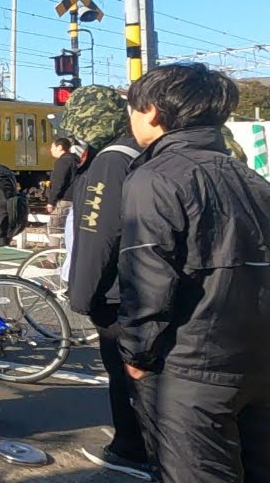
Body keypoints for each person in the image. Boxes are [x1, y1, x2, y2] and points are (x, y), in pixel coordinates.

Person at [118, 63, 270, 483]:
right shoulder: (251, 177)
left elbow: (147, 277)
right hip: (257, 360)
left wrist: (136, 354)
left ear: (151, 111)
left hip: (188, 365)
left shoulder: (154, 178)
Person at [59, 86, 153, 479]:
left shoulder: (109, 162)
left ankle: (130, 448)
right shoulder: (140, 152)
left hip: (117, 292)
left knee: (123, 369)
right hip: (147, 284)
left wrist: (80, 295)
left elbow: (97, 234)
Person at [46, 137, 78, 248]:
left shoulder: (62, 162)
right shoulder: (76, 159)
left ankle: (52, 258)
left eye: (52, 147)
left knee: (55, 226)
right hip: (76, 198)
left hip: (65, 199)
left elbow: (58, 183)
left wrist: (51, 201)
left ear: (60, 147)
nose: (51, 150)